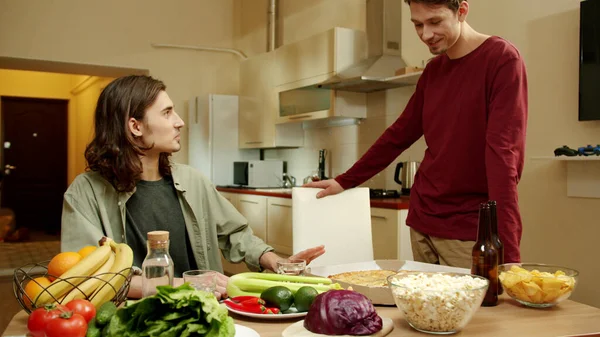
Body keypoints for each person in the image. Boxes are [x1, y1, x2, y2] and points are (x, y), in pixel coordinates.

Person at [305, 0, 527, 269]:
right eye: (417, 24)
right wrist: (345, 181)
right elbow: (398, 135)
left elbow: (503, 156)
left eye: (435, 22)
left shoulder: (502, 59)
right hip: (422, 222)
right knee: (422, 311)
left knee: (476, 311)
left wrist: (510, 254)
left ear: (462, 11)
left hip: (468, 230)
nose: (425, 34)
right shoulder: (433, 70)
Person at [61, 75, 325, 299]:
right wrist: (180, 284)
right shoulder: (86, 192)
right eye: (167, 113)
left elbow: (236, 235)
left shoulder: (192, 180)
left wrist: (278, 263)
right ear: (135, 126)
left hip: (201, 315)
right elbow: (88, 276)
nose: (179, 121)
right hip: (133, 320)